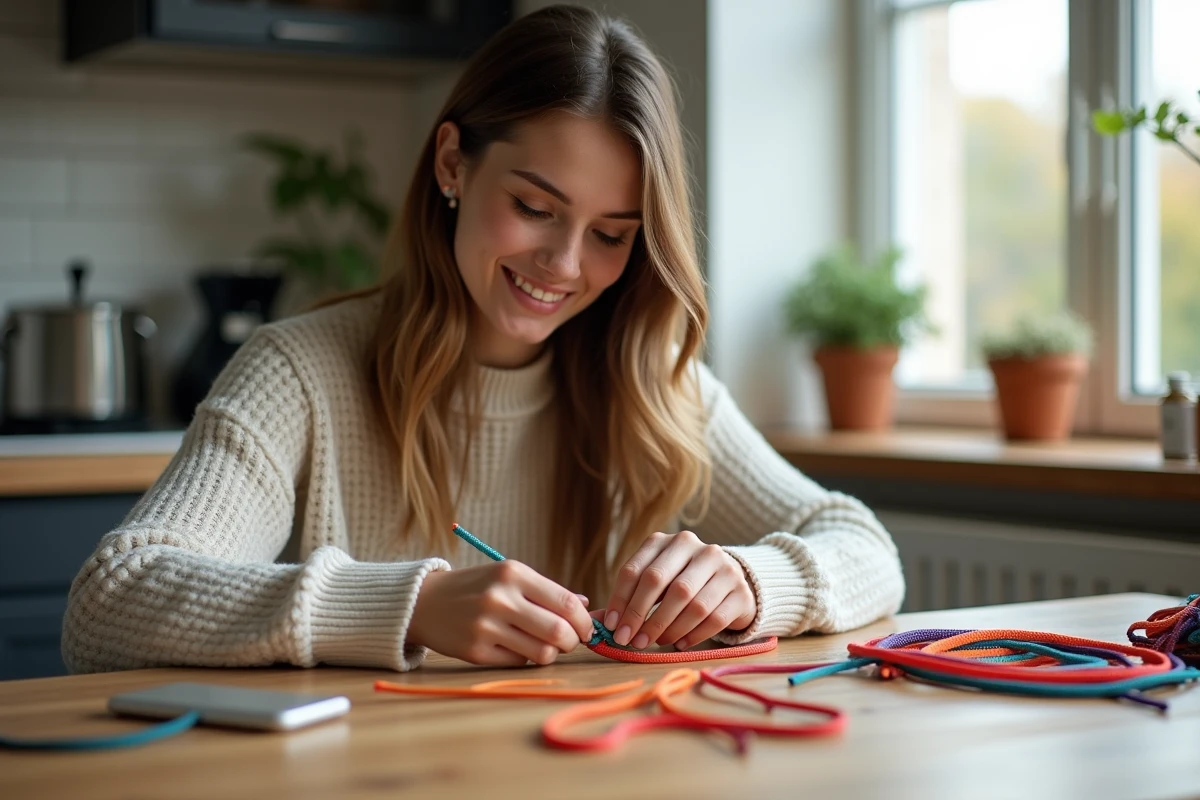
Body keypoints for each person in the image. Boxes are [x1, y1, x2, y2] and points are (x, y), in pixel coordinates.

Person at [61, 4, 904, 674]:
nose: (565, 265)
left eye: (612, 234)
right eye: (535, 208)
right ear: (452, 166)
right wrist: (412, 607)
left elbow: (864, 545)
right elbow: (109, 604)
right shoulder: (298, 373)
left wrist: (756, 581)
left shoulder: (651, 381)